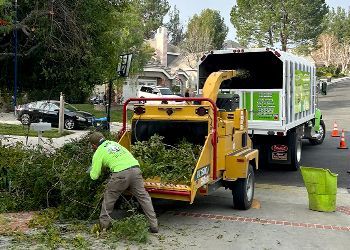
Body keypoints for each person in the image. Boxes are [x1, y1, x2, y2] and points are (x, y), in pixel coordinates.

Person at [88, 132, 158, 233]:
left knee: (109, 198)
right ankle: (154, 225)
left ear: (94, 145)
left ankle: (104, 226)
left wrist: (90, 171)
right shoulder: (115, 144)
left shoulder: (99, 152)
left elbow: (94, 176)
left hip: (120, 174)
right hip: (135, 170)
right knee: (144, 198)